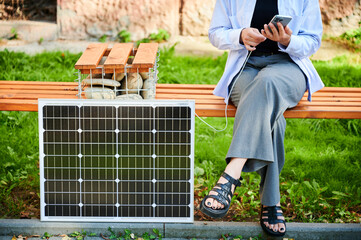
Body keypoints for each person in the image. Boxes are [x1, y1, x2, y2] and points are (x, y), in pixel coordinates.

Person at [200, 0, 323, 237]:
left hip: (288, 68)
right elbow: (215, 34)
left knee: (267, 84)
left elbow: (312, 41)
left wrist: (287, 40)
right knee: (271, 116)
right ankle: (271, 203)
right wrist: (240, 35)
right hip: (245, 67)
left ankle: (232, 173)